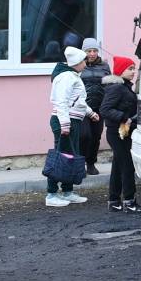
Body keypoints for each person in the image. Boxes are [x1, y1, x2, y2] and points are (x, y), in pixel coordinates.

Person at [100, 56, 141, 214]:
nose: (133, 72)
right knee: (127, 166)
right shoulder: (117, 88)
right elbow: (105, 109)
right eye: (130, 69)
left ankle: (114, 201)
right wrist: (124, 118)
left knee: (117, 167)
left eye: (134, 68)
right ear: (120, 71)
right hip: (118, 133)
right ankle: (130, 202)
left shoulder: (124, 87)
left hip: (122, 132)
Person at [46, 47, 92, 207]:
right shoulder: (66, 77)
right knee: (61, 157)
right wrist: (65, 124)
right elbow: (61, 101)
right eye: (84, 61)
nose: (86, 64)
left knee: (70, 157)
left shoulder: (72, 76)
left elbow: (77, 101)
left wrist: (90, 113)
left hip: (72, 121)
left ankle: (67, 192)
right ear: (77, 63)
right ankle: (51, 195)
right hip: (65, 122)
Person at [79, 38, 110, 176]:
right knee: (84, 136)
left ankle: (91, 163)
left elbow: (109, 84)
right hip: (82, 107)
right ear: (83, 51)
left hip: (99, 106)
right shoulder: (79, 65)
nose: (92, 53)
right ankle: (80, 164)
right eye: (89, 51)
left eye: (95, 51)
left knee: (96, 136)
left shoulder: (104, 66)